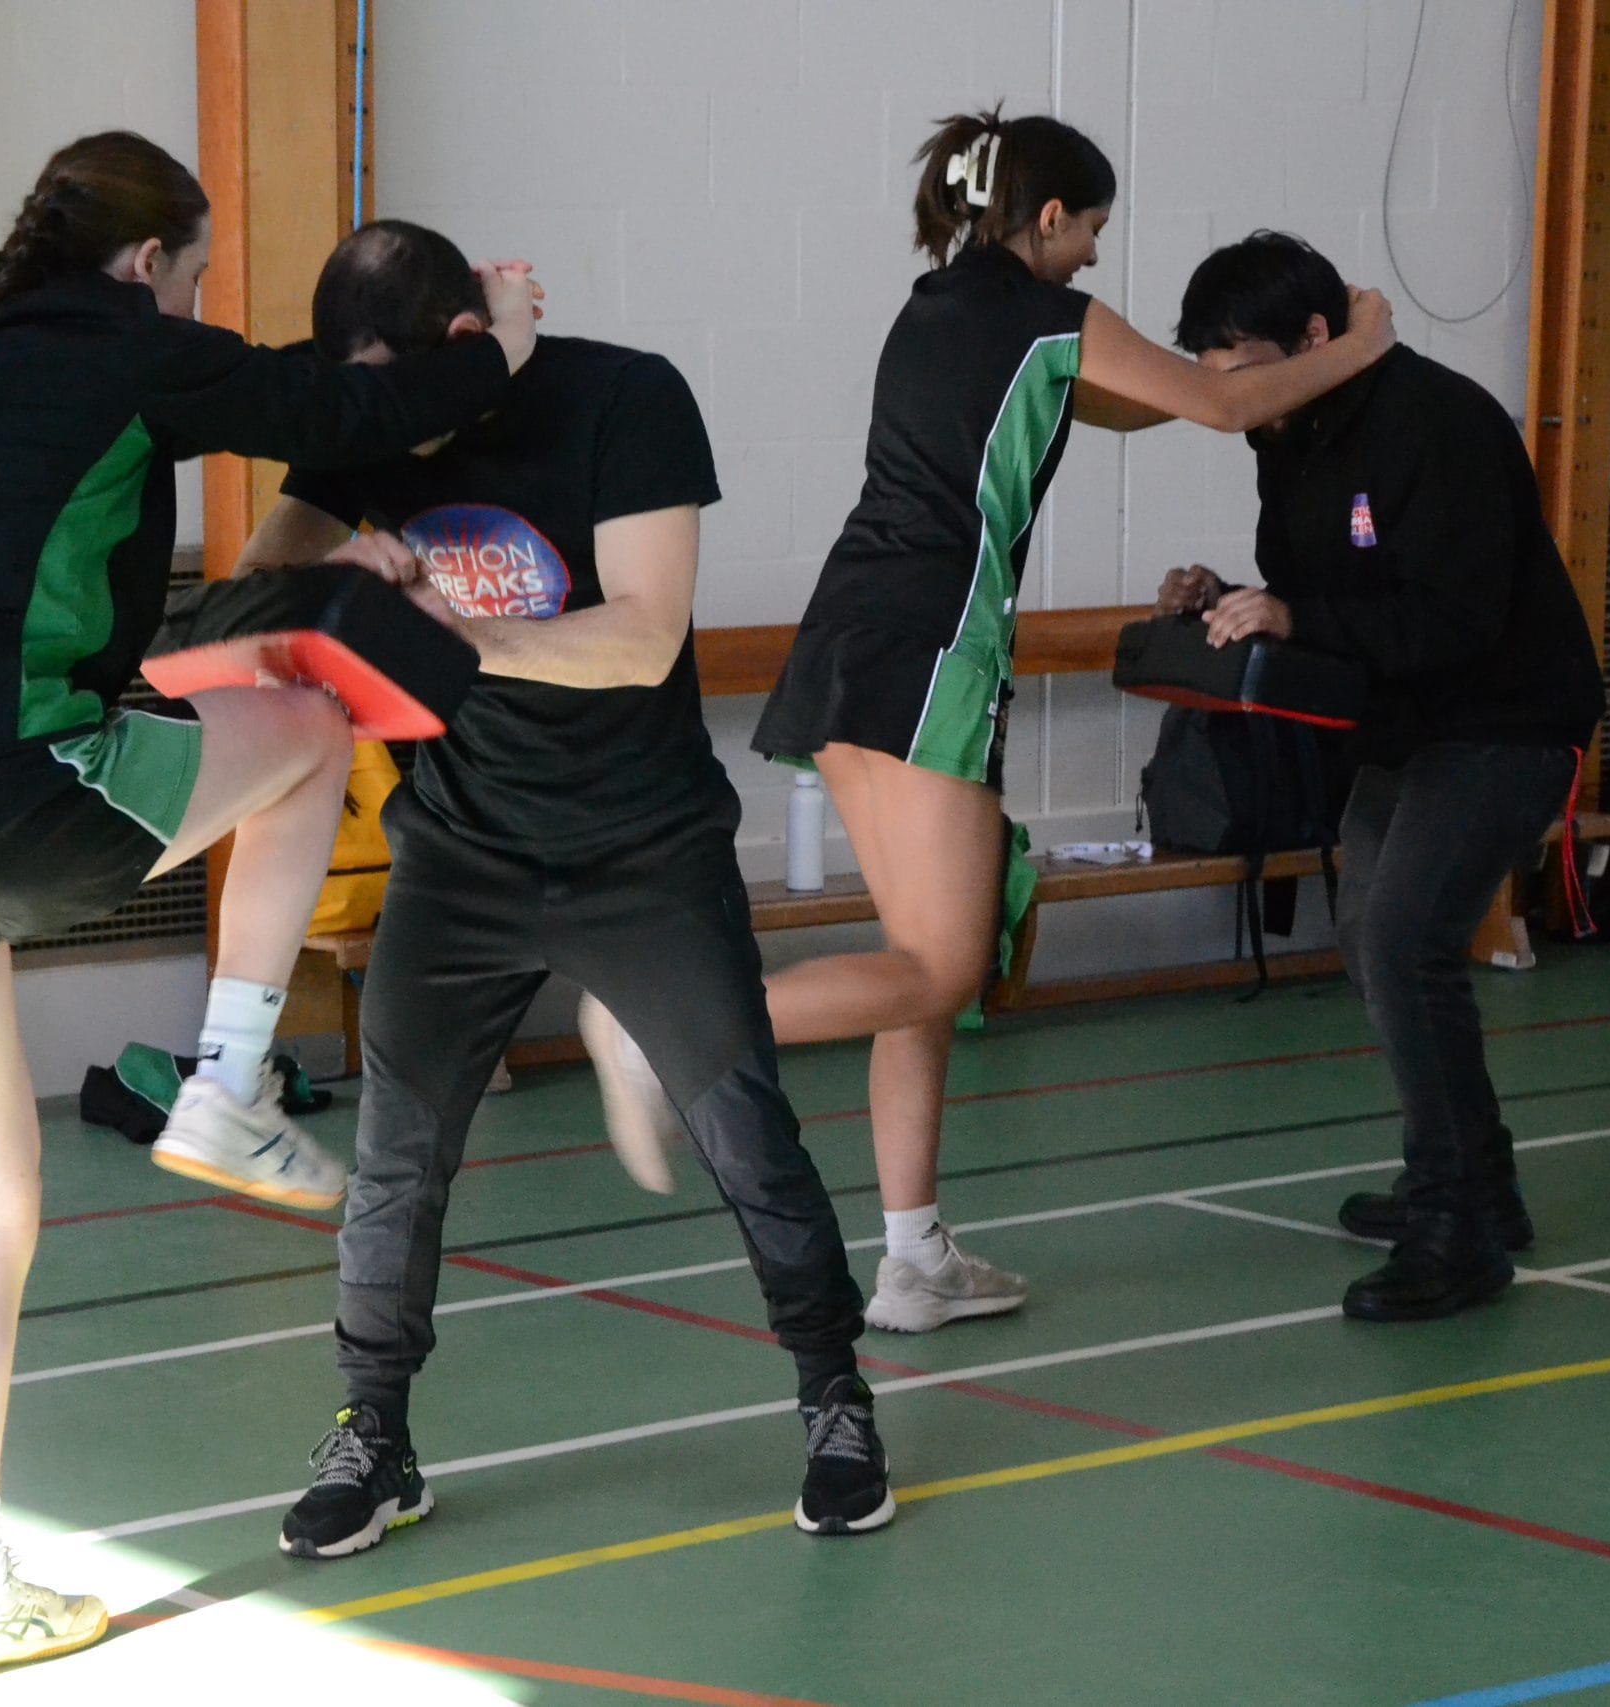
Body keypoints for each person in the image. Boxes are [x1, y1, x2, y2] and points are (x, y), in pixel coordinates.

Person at [0, 134, 540, 1684]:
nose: (197, 301)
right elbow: (343, 406)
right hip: (6, 777)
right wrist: (495, 347)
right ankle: (231, 1073)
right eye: (194, 274)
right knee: (318, 733)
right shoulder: (125, 357)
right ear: (150, 264)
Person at [587, 107, 1396, 1335]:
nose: (1093, 260)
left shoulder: (944, 311)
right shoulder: (1034, 314)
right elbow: (1213, 410)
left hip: (868, 638)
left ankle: (912, 1255)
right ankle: (659, 1027)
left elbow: (1145, 402)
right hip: (922, 646)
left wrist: (1216, 379)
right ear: (1052, 216)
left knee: (927, 970)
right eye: (1092, 234)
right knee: (938, 965)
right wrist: (1360, 344)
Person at [234, 219, 890, 1558]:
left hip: (642, 850)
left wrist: (454, 628)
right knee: (396, 1159)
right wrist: (331, 582)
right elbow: (256, 594)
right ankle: (376, 1428)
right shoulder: (364, 423)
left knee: (748, 1133)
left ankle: (834, 1392)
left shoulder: (624, 397)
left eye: (415, 403)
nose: (398, 436)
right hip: (464, 850)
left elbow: (643, 637)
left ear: (468, 350)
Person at [1161, 229, 1604, 1323]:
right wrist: (1230, 594)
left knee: (1407, 942)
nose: (1231, 407)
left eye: (1243, 374)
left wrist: (1301, 613)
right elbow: (1323, 583)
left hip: (1502, 721)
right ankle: (1473, 1181)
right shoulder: (1290, 433)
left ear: (1316, 340)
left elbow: (1454, 616)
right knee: (1368, 937)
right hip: (1402, 727)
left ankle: (1459, 1230)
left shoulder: (1437, 423)